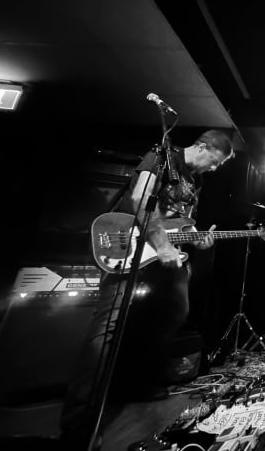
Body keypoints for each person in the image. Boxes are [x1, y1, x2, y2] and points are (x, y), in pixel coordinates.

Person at [59, 129, 235, 450]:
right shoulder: (162, 157)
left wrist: (200, 240)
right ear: (202, 147)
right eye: (215, 161)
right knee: (106, 331)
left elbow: (182, 223)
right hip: (132, 248)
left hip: (165, 258)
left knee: (174, 312)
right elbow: (141, 200)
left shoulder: (197, 181)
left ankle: (134, 382)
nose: (214, 168)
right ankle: (78, 428)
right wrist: (163, 244)